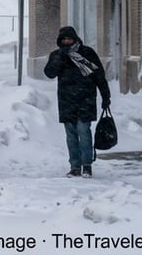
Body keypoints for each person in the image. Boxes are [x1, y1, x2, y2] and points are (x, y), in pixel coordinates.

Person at [43, 26, 111, 178]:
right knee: (71, 135)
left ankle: (86, 165)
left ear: (75, 38)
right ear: (60, 41)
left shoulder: (86, 53)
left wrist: (106, 96)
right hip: (66, 101)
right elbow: (49, 73)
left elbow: (98, 75)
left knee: (84, 131)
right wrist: (61, 57)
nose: (67, 41)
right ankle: (75, 166)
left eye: (69, 38)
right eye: (64, 39)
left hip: (85, 99)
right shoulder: (57, 55)